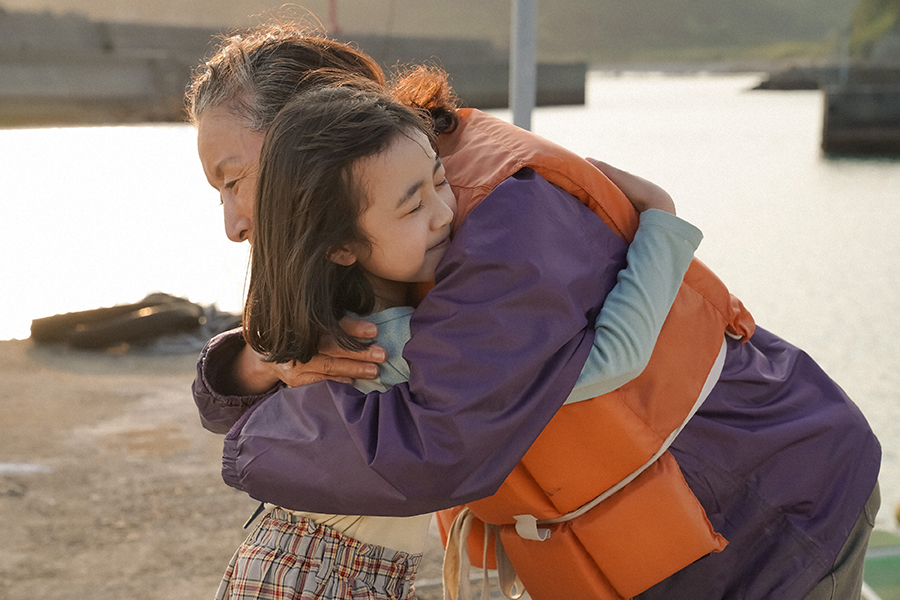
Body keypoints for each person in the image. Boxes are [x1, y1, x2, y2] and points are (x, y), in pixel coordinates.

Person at [187, 25, 881, 600]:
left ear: (312, 130)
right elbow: (287, 355)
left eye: (234, 180)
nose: (234, 223)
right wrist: (248, 365)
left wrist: (249, 439)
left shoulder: (497, 222)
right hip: (676, 546)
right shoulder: (383, 215)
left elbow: (427, 449)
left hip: (771, 511)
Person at [219, 82, 702, 600]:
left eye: (441, 180)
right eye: (412, 208)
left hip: (283, 563)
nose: (445, 212)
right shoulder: (397, 347)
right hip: (327, 579)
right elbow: (612, 359)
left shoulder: (325, 318)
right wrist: (660, 220)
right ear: (340, 245)